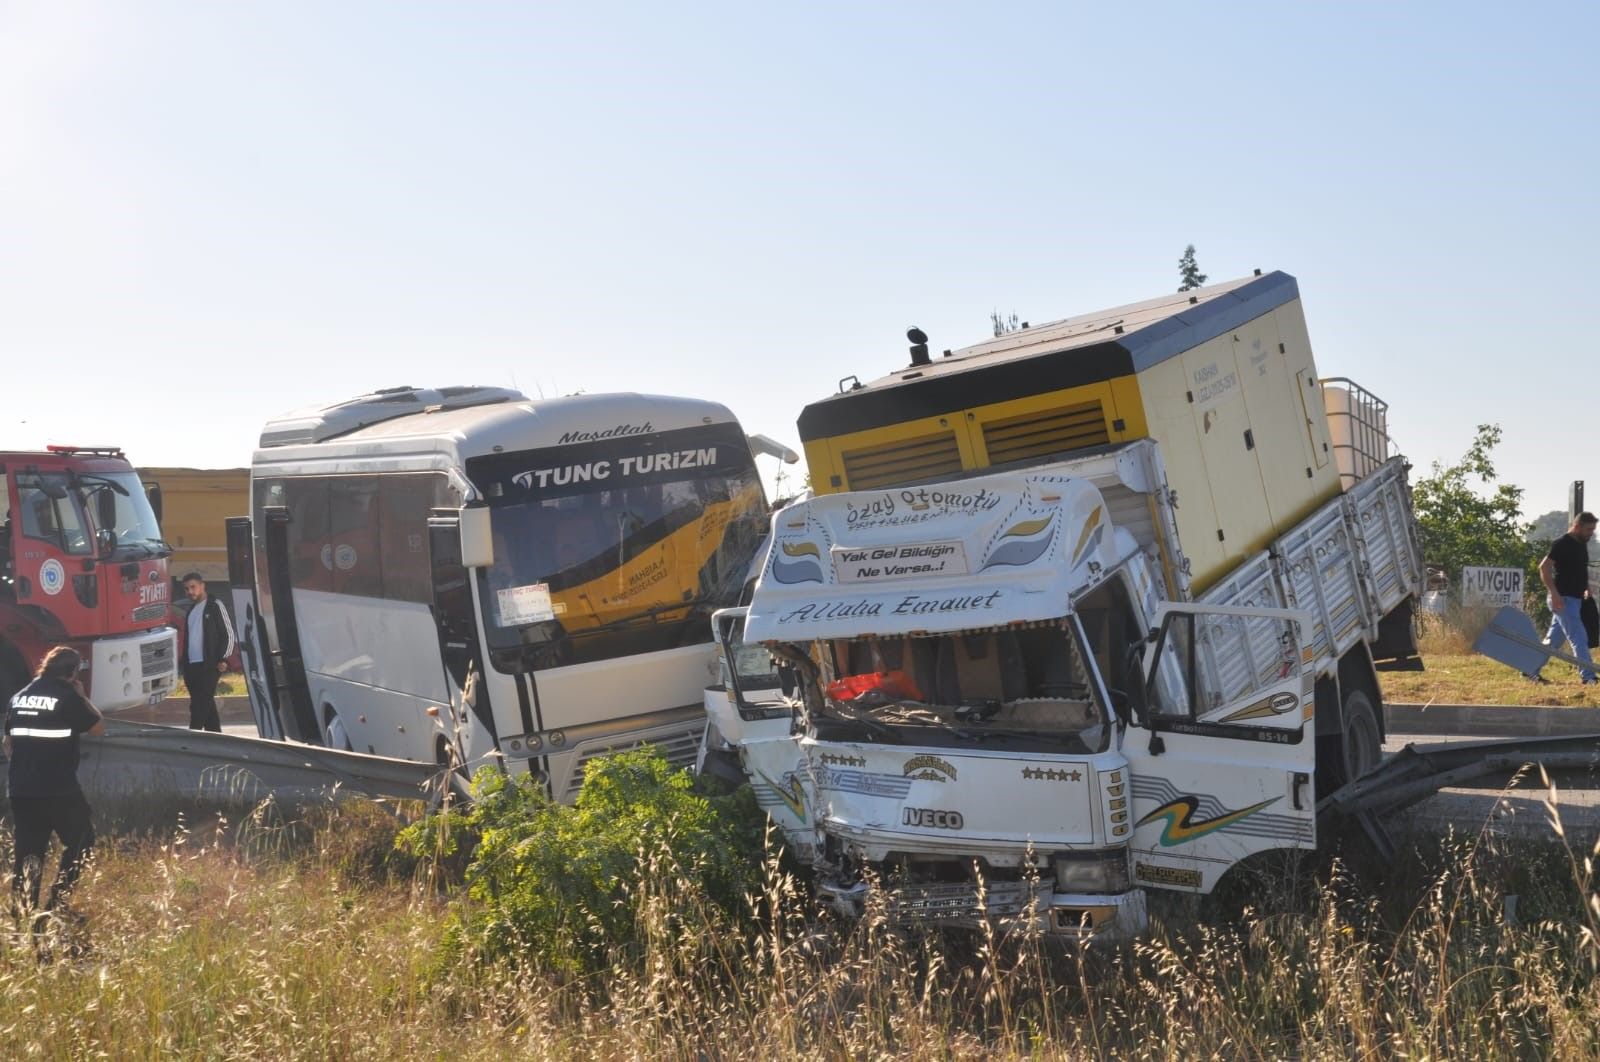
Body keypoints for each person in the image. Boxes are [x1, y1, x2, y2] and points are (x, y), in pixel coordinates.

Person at [5, 645, 104, 913]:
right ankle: (56, 904)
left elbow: (8, 743)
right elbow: (97, 727)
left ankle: (22, 913)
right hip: (58, 789)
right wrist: (82, 696)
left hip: (21, 789)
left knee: (29, 853)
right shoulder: (67, 697)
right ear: (73, 673)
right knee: (82, 841)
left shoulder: (19, 697)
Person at [1537, 511, 1598, 685]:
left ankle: (1529, 669)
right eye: (1588, 529)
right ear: (1577, 526)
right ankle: (1588, 677)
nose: (1591, 533)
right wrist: (1554, 594)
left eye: (1593, 529)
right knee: (1579, 637)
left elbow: (1579, 569)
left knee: (1552, 641)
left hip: (1576, 599)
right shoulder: (1561, 543)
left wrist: (1586, 587)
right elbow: (1544, 568)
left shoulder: (1582, 544)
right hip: (1563, 599)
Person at [180, 572, 237, 731]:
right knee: (206, 706)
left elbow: (229, 634)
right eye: (186, 589)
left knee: (199, 707)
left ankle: (192, 737)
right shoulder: (191, 611)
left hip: (210, 665)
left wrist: (223, 659)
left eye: (193, 587)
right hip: (191, 667)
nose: (190, 591)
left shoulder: (215, 605)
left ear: (202, 585)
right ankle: (216, 736)